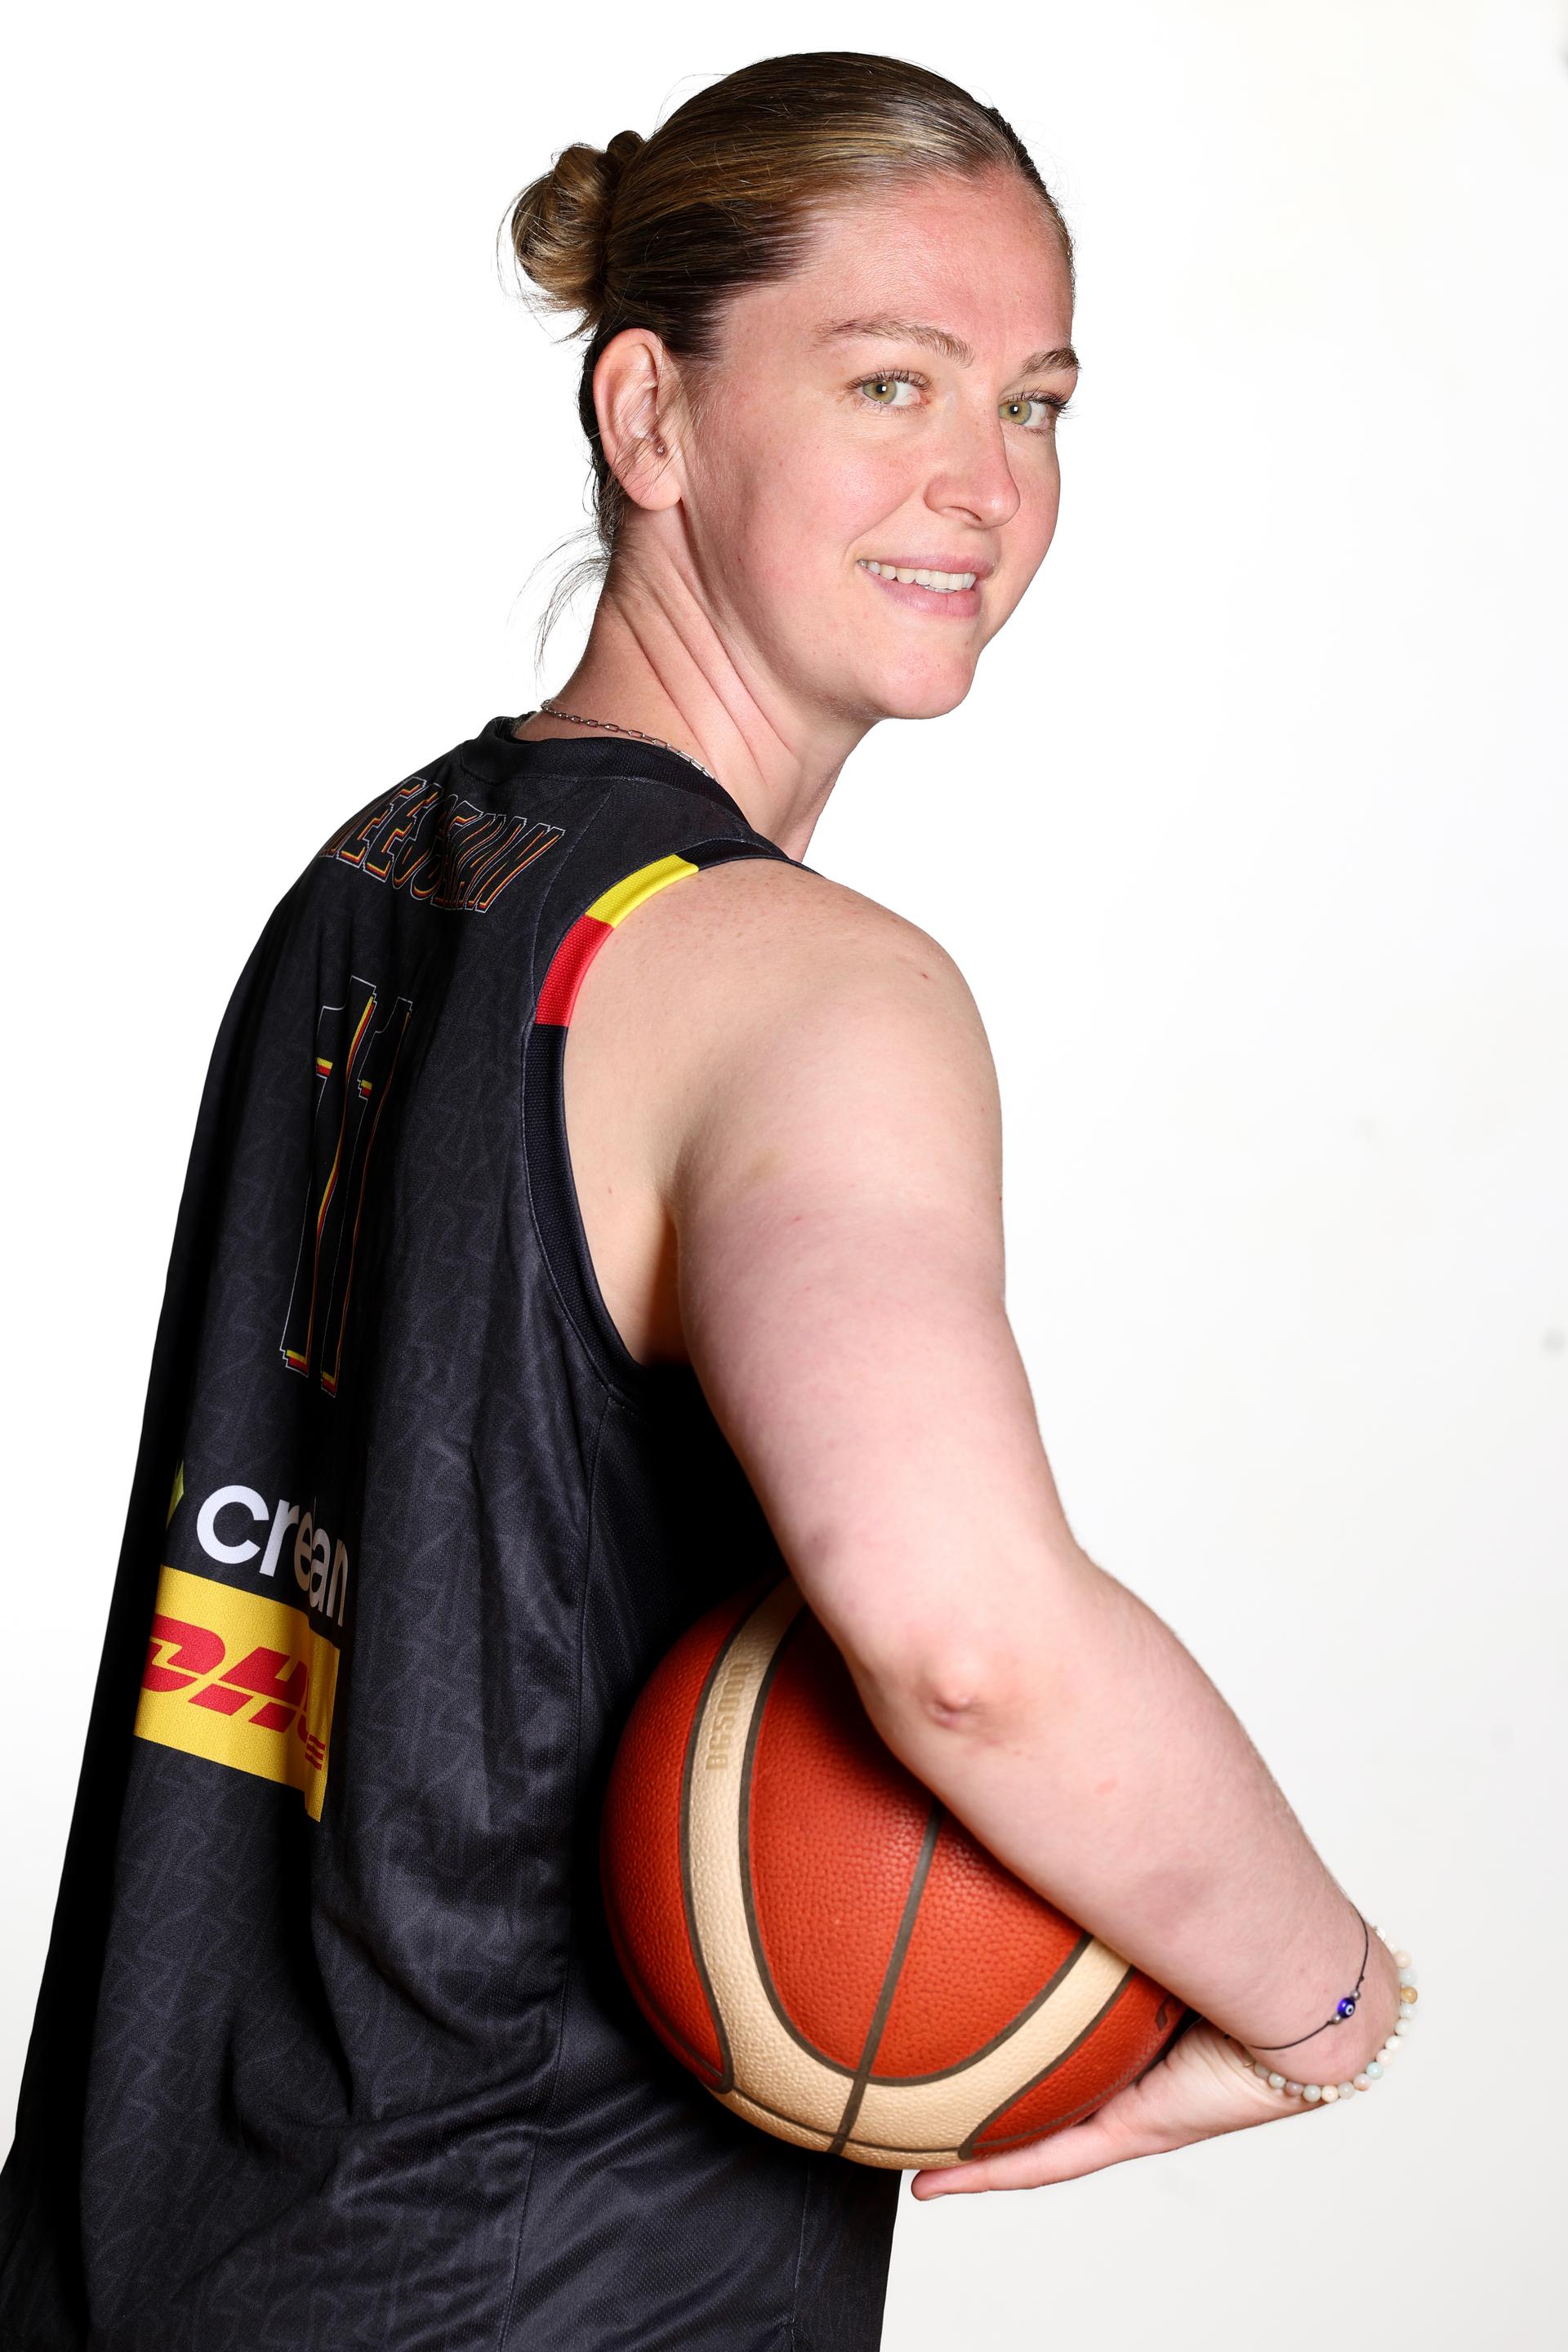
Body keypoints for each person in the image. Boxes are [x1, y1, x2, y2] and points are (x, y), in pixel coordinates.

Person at [0, 47, 1410, 2352]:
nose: (980, 483)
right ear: (648, 419)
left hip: (130, 2251)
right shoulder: (799, 989)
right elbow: (964, 1642)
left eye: (1037, 404)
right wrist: (1320, 2001)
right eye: (890, 379)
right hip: (533, 2284)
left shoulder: (377, 879)